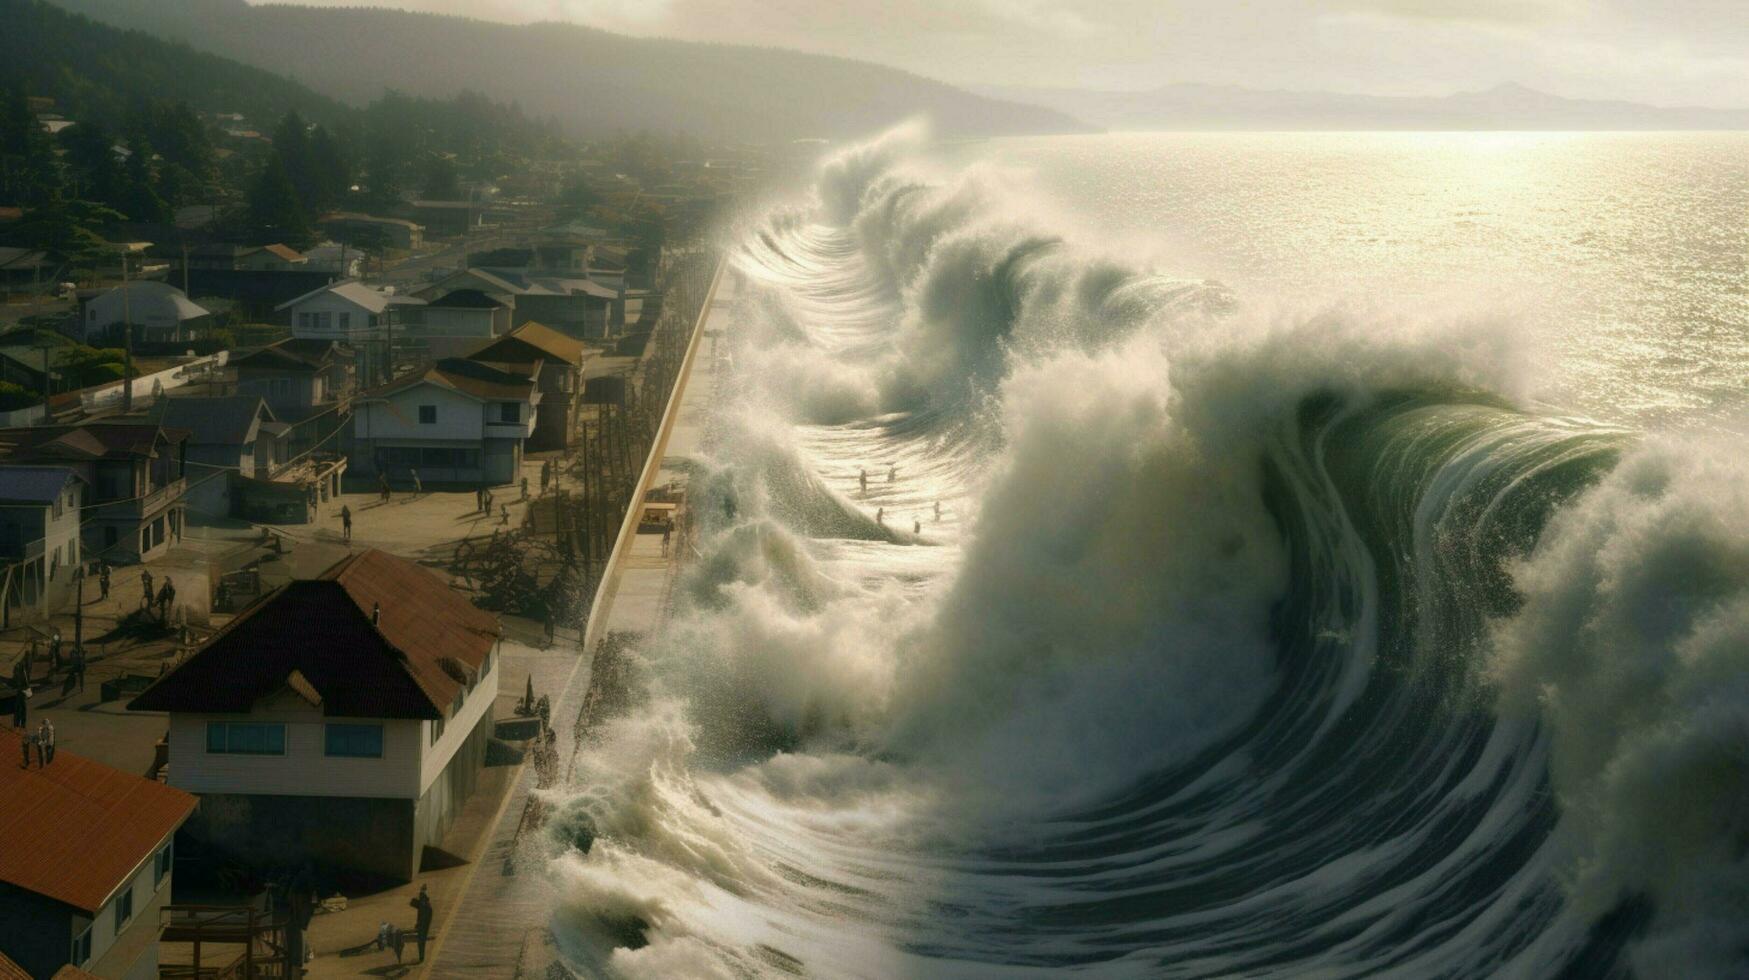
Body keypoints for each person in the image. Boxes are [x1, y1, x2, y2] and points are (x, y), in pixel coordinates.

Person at [409, 885, 433, 962]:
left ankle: (421, 957)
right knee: (421, 942)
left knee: (421, 942)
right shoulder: (426, 905)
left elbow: (422, 916)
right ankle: (421, 957)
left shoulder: (424, 905)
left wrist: (419, 924)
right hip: (424, 925)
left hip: (423, 926)